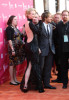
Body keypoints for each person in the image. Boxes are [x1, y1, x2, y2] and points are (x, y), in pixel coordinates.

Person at [20, 8, 44, 93]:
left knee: (29, 66)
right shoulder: (30, 23)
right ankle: (40, 88)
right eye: (32, 14)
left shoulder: (26, 23)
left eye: (35, 14)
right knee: (36, 66)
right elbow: (39, 32)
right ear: (28, 15)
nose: (34, 15)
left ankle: (26, 85)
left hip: (29, 45)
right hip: (32, 46)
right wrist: (40, 22)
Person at [38, 11, 56, 89]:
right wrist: (38, 48)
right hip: (41, 50)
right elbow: (37, 39)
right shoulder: (39, 26)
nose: (51, 18)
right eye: (50, 17)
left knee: (48, 68)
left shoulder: (51, 26)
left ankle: (47, 84)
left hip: (50, 50)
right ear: (45, 18)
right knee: (40, 68)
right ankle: (39, 84)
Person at [6, 15, 24, 85]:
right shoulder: (9, 28)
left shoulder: (16, 28)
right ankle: (12, 80)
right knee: (12, 64)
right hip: (12, 48)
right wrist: (12, 49)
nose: (17, 20)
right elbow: (9, 39)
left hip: (18, 48)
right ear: (11, 20)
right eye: (15, 19)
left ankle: (15, 79)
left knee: (15, 64)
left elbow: (20, 37)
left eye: (17, 19)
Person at [55, 10, 69, 89]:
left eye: (66, 15)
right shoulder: (59, 25)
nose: (65, 17)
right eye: (63, 15)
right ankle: (64, 82)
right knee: (63, 66)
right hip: (62, 49)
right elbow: (56, 36)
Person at [51, 13, 62, 82]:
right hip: (56, 48)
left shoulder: (62, 25)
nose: (56, 19)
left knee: (61, 64)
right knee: (58, 64)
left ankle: (62, 78)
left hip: (61, 48)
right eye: (55, 17)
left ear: (60, 18)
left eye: (57, 17)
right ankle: (60, 78)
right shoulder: (56, 25)